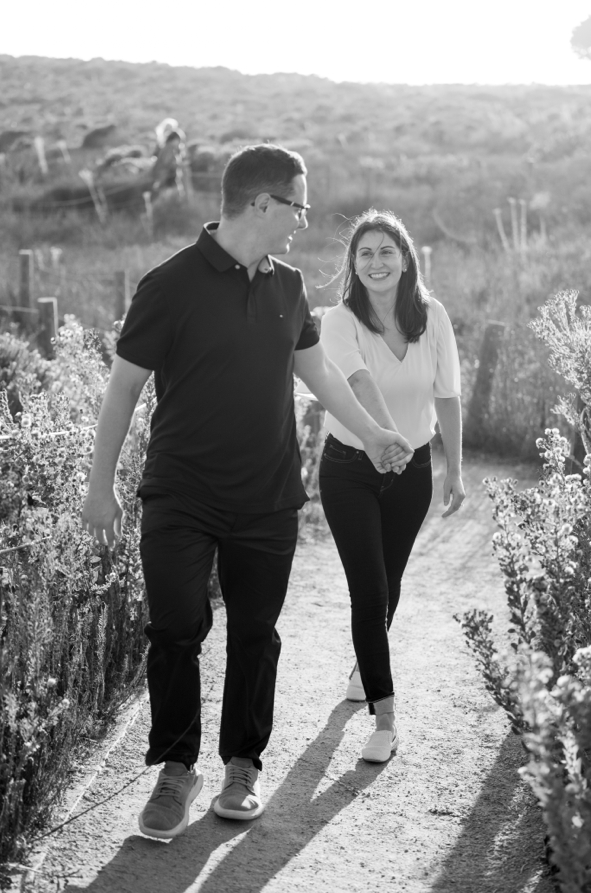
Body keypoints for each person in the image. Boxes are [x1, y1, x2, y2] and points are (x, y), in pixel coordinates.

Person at [80, 144, 413, 839]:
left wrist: (376, 433)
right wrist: (100, 485)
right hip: (180, 493)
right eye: (298, 203)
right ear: (261, 203)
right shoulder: (167, 285)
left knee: (255, 636)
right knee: (176, 629)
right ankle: (176, 767)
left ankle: (242, 764)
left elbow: (319, 377)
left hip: (267, 497)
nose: (305, 217)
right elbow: (122, 392)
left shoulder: (290, 287)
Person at [318, 209, 464, 763]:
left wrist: (454, 467)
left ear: (405, 259)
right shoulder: (340, 320)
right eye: (365, 253)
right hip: (350, 467)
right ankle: (385, 716)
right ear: (353, 265)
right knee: (370, 590)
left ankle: (365, 659)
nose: (376, 262)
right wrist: (384, 439)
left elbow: (447, 394)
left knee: (390, 582)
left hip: (414, 470)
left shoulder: (434, 316)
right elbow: (356, 381)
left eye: (386, 251)